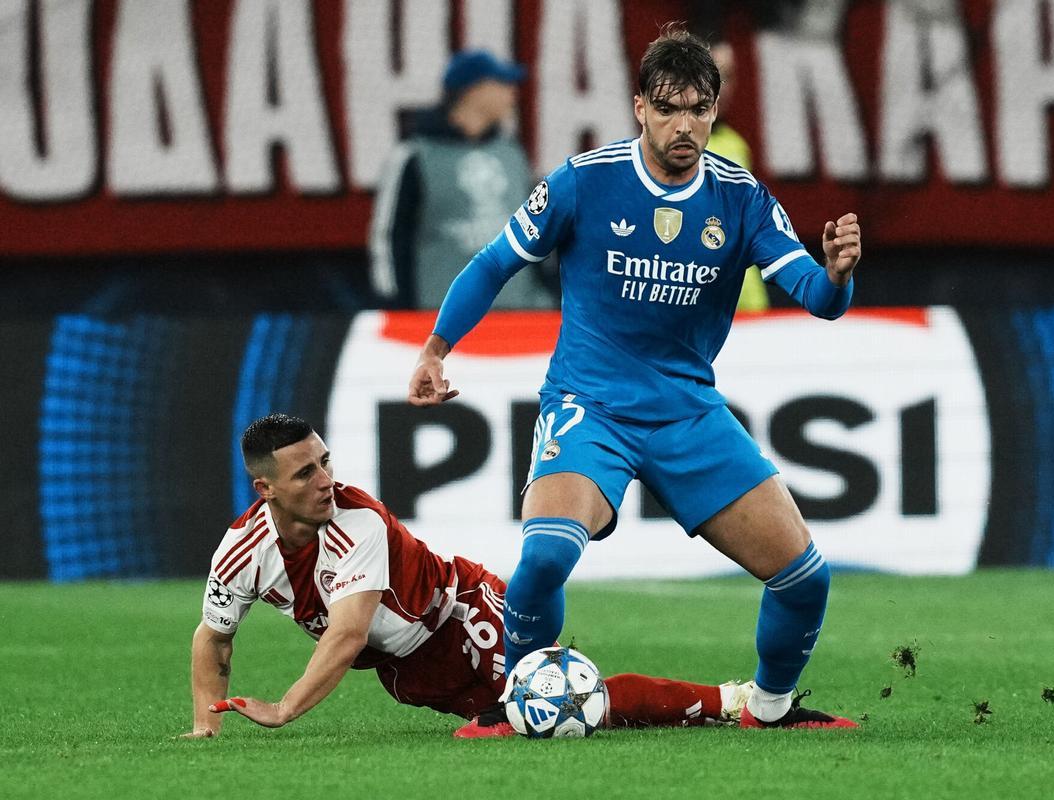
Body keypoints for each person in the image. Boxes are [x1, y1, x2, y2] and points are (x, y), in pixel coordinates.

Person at [408, 25, 862, 729]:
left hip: (688, 415)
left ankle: (769, 710)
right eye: (670, 107)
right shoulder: (585, 181)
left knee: (804, 577)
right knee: (544, 561)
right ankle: (510, 710)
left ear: (715, 111)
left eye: (700, 109)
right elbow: (496, 261)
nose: (686, 125)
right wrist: (437, 348)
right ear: (639, 107)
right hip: (591, 407)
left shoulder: (740, 197)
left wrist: (835, 277)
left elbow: (816, 297)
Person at [182, 413, 756, 740]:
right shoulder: (241, 552)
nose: (326, 479)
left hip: (464, 610)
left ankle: (733, 701)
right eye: (305, 473)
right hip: (407, 670)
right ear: (266, 490)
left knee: (567, 706)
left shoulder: (356, 521)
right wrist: (206, 722)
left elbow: (347, 634)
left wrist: (285, 708)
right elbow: (214, 634)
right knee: (525, 727)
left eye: (325, 461)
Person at [368, 50, 557, 310]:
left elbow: (540, 227)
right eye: (501, 84)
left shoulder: (512, 153)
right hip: (446, 323)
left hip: (520, 318)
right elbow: (389, 238)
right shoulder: (415, 156)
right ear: (473, 90)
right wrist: (397, 307)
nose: (511, 93)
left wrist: (552, 295)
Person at [706, 41, 769, 312]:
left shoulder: (737, 146)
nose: (724, 86)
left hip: (748, 299)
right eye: (715, 74)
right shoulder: (669, 149)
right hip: (697, 300)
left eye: (729, 76)